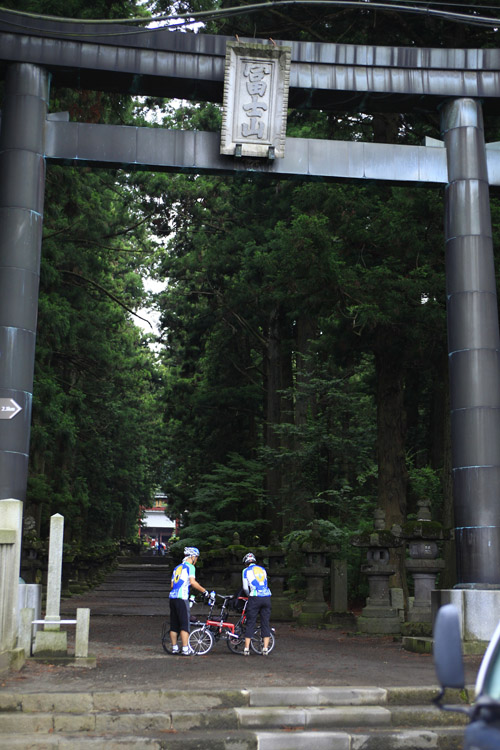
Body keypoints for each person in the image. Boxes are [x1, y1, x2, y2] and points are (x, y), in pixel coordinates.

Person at [169, 546, 209, 656]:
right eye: (196, 557)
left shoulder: (177, 568)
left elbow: (172, 585)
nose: (196, 560)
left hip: (172, 598)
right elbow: (193, 582)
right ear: (192, 557)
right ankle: (185, 649)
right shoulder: (190, 567)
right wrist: (204, 591)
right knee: (184, 624)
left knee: (174, 624)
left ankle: (174, 648)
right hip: (182, 598)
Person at [241, 552, 272, 657]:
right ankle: (265, 649)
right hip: (266, 597)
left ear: (246, 563)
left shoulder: (245, 571)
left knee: (251, 622)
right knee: (265, 623)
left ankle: (246, 649)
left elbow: (245, 587)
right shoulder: (263, 569)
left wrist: (249, 595)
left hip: (255, 597)